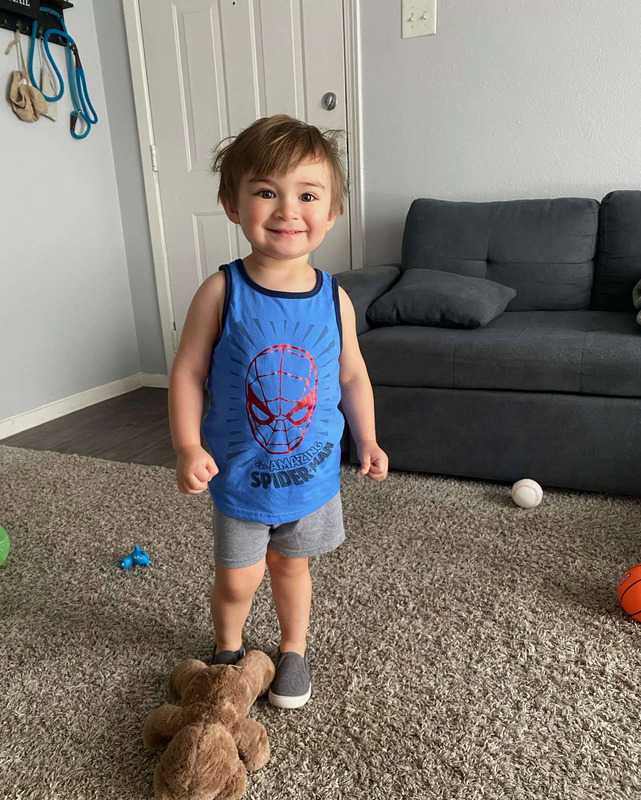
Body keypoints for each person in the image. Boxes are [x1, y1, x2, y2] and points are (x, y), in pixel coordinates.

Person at [168, 114, 388, 709]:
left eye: (308, 195)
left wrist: (366, 439)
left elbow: (351, 375)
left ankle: (293, 648)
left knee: (293, 569)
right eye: (266, 191)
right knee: (238, 578)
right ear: (232, 204)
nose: (288, 210)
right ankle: (228, 651)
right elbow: (187, 373)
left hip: (311, 478)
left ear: (332, 212)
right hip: (240, 476)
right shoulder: (221, 292)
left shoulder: (333, 297)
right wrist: (188, 445)